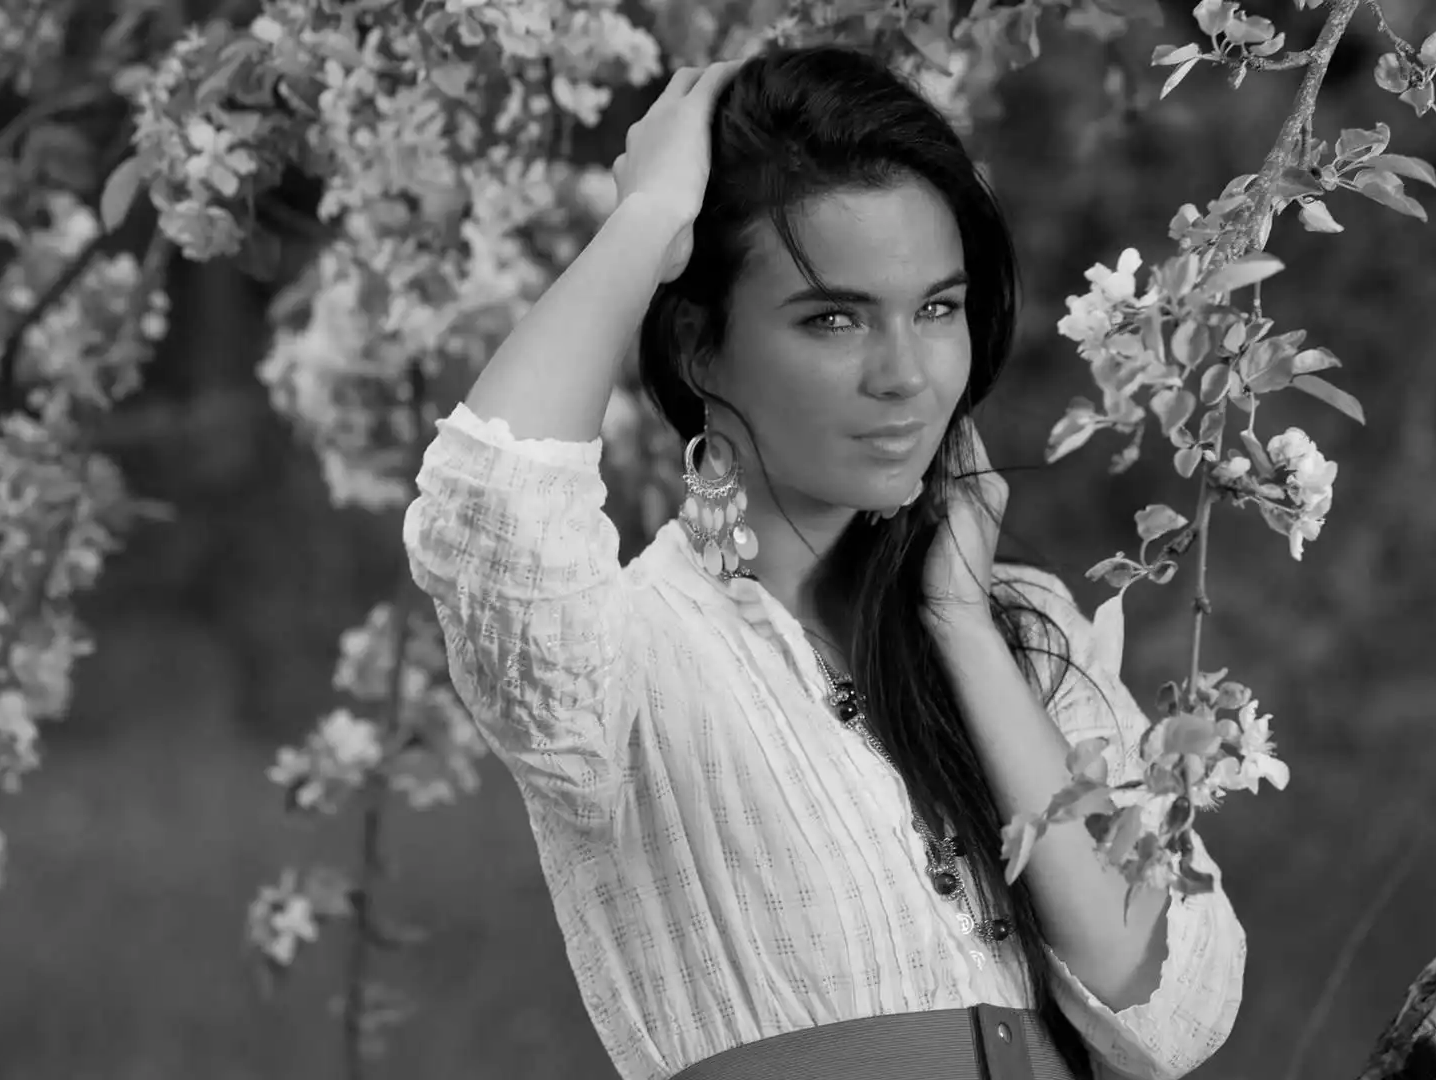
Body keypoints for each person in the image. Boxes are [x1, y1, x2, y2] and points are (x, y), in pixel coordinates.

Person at [404, 44, 1245, 1080]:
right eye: (833, 319)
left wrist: (960, 626)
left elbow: (1141, 984)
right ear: (700, 348)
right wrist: (644, 223)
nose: (905, 375)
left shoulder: (1026, 626)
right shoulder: (621, 661)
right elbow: (491, 507)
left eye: (938, 308)